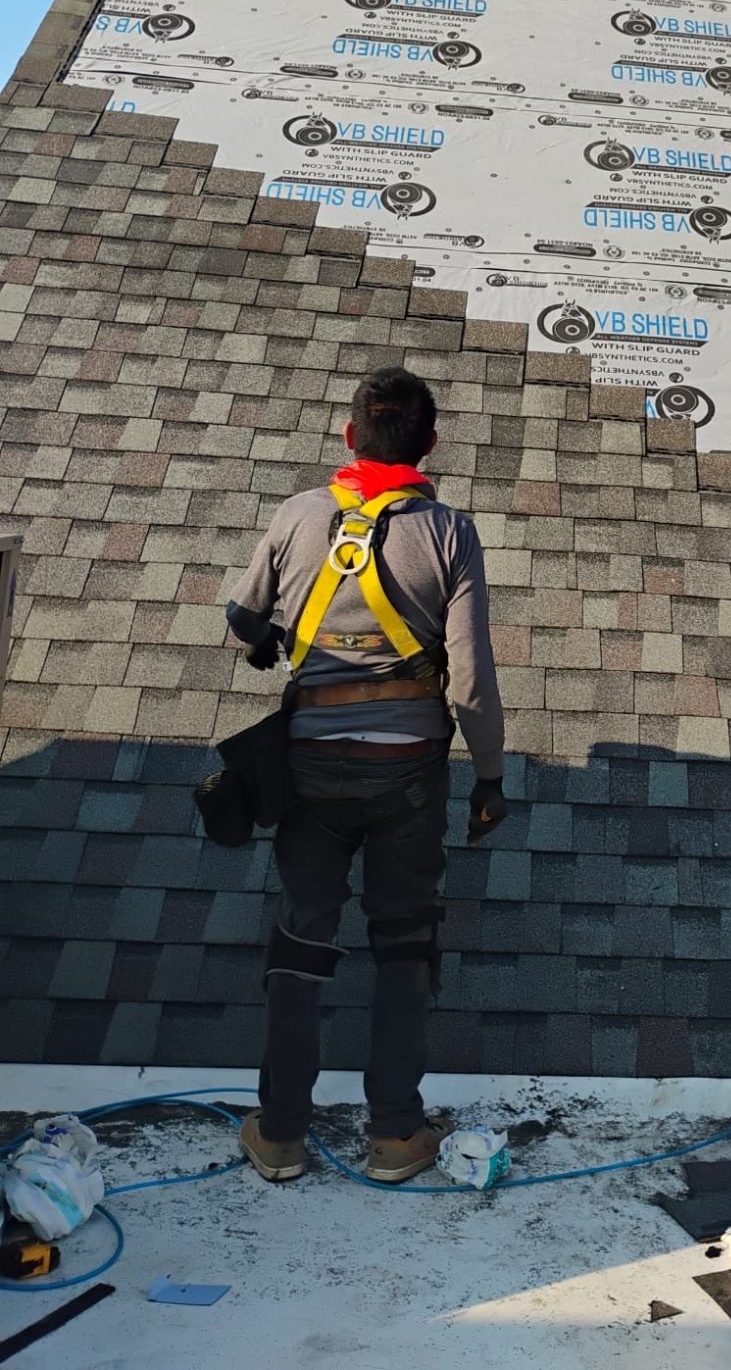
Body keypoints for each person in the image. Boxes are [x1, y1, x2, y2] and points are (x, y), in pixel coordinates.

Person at [224, 367, 509, 1183]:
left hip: (310, 768)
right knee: (405, 941)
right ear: (429, 445)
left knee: (301, 936)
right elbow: (472, 683)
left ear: (349, 438)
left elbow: (244, 621)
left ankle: (279, 1133)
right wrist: (488, 779)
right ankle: (393, 1136)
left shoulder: (300, 515)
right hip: (408, 772)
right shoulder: (450, 533)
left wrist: (272, 639)